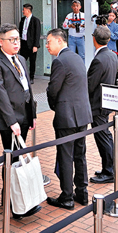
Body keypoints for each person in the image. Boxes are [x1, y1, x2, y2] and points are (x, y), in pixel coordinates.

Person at [0, 24, 41, 218]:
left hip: (24, 115)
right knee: (12, 160)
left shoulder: (21, 59)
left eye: (17, 39)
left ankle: (17, 199)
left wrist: (33, 114)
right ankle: (13, 202)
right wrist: (12, 121)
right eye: (12, 40)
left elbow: (28, 88)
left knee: (19, 158)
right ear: (1, 42)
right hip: (9, 119)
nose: (16, 43)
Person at [43, 29, 91, 208]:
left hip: (67, 116)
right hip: (82, 115)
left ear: (59, 41)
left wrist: (56, 107)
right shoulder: (77, 57)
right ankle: (82, 192)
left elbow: (53, 90)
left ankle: (67, 196)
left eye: (49, 42)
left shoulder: (60, 61)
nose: (46, 46)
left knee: (65, 156)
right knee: (80, 155)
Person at [86, 26, 118, 183]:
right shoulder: (112, 55)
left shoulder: (99, 60)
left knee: (102, 137)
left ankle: (109, 171)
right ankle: (108, 167)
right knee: (105, 136)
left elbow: (90, 85)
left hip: (98, 104)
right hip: (106, 101)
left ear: (94, 38)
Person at [19, 4, 43, 73]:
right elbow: (20, 31)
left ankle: (31, 76)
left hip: (31, 44)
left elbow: (37, 34)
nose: (22, 11)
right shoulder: (23, 20)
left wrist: (35, 45)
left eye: (24, 10)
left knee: (32, 61)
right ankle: (22, 74)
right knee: (21, 60)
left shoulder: (35, 20)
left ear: (28, 11)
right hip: (23, 43)